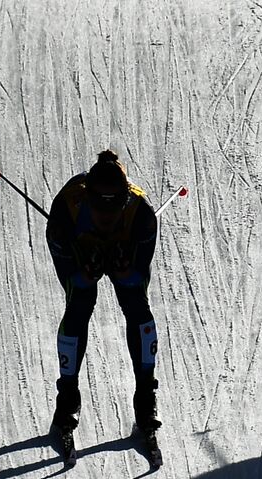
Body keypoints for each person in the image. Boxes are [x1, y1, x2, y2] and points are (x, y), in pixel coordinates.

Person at [45, 149, 161, 441]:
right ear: (87, 201)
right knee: (80, 302)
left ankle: (146, 400)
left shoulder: (142, 215)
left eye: (114, 211)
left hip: (123, 246)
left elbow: (138, 275)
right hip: (79, 250)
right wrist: (83, 275)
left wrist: (125, 273)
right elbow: (72, 277)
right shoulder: (63, 213)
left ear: (125, 202)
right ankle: (67, 401)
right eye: (100, 211)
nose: (106, 219)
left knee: (137, 306)